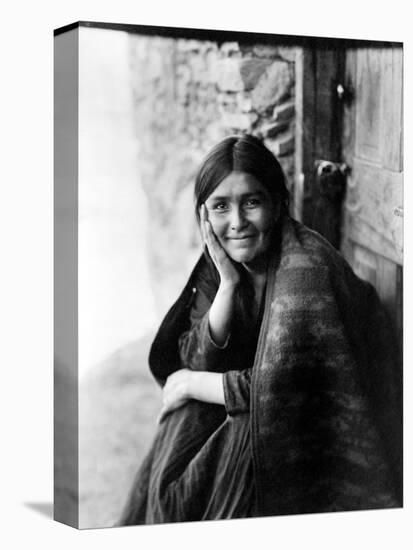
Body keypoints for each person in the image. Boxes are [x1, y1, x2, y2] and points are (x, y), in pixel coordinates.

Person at [119, 134, 402, 525]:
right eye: (220, 207)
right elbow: (193, 356)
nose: (236, 223)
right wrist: (229, 287)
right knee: (180, 440)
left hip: (320, 421)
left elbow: (283, 390)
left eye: (251, 202)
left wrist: (188, 384)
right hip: (267, 396)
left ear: (277, 204)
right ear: (204, 215)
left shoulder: (304, 269)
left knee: (224, 432)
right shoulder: (222, 261)